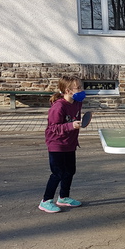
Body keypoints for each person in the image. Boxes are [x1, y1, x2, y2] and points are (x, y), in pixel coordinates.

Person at [39, 75, 87, 213]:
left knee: (70, 171)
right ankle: (46, 201)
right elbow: (53, 128)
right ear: (68, 91)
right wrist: (71, 126)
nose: (81, 90)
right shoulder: (58, 107)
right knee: (58, 173)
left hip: (70, 143)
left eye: (81, 87)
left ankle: (63, 197)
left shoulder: (77, 103)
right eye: (78, 88)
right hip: (57, 144)